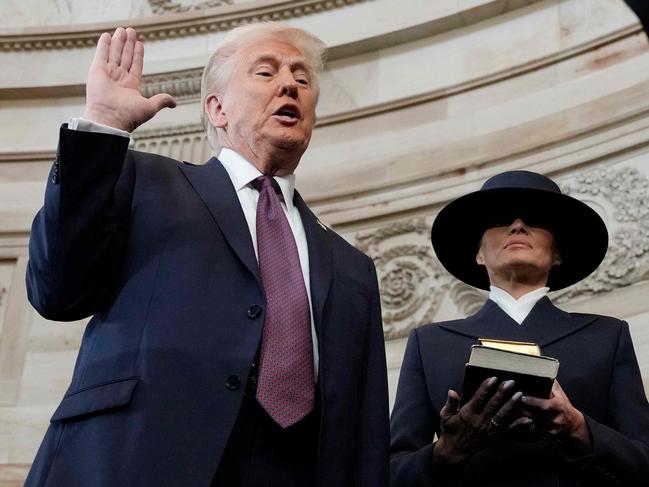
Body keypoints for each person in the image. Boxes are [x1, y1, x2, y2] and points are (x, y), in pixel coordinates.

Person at [25, 23, 389, 487]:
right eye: (266, 72)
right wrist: (103, 125)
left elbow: (365, 430)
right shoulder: (143, 181)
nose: (289, 84)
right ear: (217, 108)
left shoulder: (352, 268)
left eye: (302, 77)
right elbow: (58, 289)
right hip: (136, 460)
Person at [390, 170, 649, 486]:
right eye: (500, 219)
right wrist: (446, 452)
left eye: (535, 219)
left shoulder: (606, 337)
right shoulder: (429, 344)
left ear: (558, 254)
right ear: (478, 254)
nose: (517, 225)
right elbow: (391, 472)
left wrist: (579, 428)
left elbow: (642, 461)